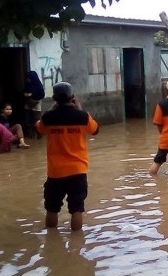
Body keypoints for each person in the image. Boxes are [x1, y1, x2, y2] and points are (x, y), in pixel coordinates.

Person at [35, 82, 99, 231]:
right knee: (77, 209)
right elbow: (95, 130)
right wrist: (80, 109)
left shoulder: (48, 118)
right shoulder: (82, 117)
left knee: (52, 208)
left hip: (55, 172)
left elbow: (38, 129)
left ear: (54, 98)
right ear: (73, 97)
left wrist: (51, 109)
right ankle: (77, 246)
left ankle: (51, 242)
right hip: (78, 170)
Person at [23, 71, 45, 139]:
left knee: (37, 119)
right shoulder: (27, 84)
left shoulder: (38, 85)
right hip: (28, 103)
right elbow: (23, 91)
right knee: (27, 119)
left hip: (36, 103)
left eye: (29, 78)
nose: (27, 79)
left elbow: (42, 94)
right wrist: (25, 94)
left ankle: (39, 133)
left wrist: (32, 94)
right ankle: (30, 134)